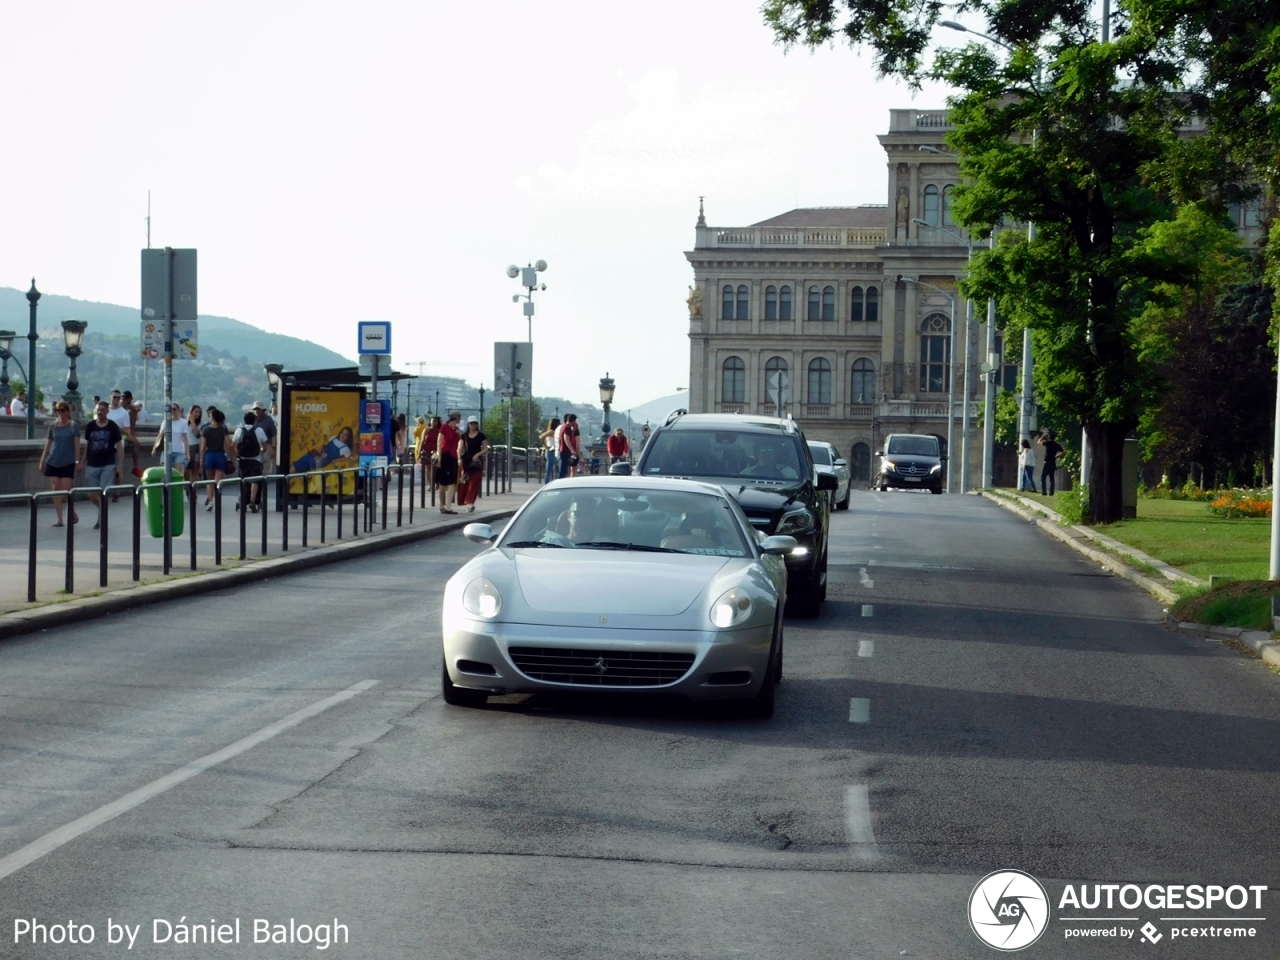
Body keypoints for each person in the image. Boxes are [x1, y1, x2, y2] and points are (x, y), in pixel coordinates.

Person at [79, 400, 123, 528]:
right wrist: (82, 461)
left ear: (107, 411)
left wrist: (120, 465)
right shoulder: (91, 426)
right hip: (92, 463)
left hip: (108, 463)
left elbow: (119, 446)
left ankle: (101, 519)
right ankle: (102, 510)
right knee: (91, 493)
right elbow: (87, 445)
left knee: (104, 492)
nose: (100, 412)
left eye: (102, 410)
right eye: (98, 410)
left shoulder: (112, 426)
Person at [39, 401, 80, 526]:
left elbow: (77, 444)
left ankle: (72, 511)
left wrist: (77, 461)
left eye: (63, 410)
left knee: (66, 489)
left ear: (68, 411)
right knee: (56, 488)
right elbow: (49, 443)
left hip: (68, 461)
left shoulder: (73, 426)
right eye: (58, 411)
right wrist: (42, 460)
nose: (61, 413)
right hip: (53, 460)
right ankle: (60, 519)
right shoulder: (53, 426)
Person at [233, 411, 269, 512]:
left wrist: (238, 454)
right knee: (255, 480)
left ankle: (243, 501)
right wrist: (260, 452)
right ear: (254, 420)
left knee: (244, 480)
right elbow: (265, 446)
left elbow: (234, 445)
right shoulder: (259, 430)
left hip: (243, 460)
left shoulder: (239, 430)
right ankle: (252, 501)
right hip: (256, 460)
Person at [199, 408, 231, 509]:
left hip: (209, 455)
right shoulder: (223, 429)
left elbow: (203, 447)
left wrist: (201, 459)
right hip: (220, 455)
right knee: (218, 480)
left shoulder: (206, 430)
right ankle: (217, 499)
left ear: (212, 417)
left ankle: (210, 501)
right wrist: (229, 456)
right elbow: (228, 444)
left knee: (210, 480)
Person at [456, 415, 489, 512]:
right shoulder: (464, 436)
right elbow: (459, 449)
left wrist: (478, 454)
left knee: (474, 483)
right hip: (466, 461)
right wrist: (459, 459)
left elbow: (486, 448)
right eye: (471, 423)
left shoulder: (481, 435)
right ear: (468, 424)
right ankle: (465, 501)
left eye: (475, 423)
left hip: (477, 462)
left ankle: (470, 502)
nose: (473, 425)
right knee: (464, 482)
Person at [435, 410, 463, 513]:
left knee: (452, 481)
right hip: (445, 455)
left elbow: (462, 443)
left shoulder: (457, 430)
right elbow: (439, 443)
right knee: (443, 482)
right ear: (455, 417)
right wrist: (439, 457)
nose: (460, 419)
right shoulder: (444, 427)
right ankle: (442, 506)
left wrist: (460, 435)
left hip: (453, 456)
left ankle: (448, 506)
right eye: (459, 417)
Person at [151, 403, 190, 474]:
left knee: (179, 473)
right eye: (170, 410)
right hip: (167, 450)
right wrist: (154, 448)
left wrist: (187, 454)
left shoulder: (183, 422)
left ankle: (179, 485)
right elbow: (160, 435)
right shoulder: (166, 422)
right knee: (167, 473)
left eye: (174, 409)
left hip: (179, 451)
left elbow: (185, 439)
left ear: (178, 410)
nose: (172, 411)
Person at [252, 402, 277, 480]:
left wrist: (273, 448)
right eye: (255, 409)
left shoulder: (268, 420)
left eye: (258, 409)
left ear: (262, 410)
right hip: (255, 446)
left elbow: (273, 434)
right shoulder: (252, 419)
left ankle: (263, 484)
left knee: (265, 467)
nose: (257, 411)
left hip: (267, 445)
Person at [1038, 430, 1065, 496]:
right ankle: (1051, 492)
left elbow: (1039, 442)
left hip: (1047, 462)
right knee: (1051, 478)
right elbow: (1064, 452)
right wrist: (1057, 456)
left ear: (1049, 436)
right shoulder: (1057, 445)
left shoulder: (1048, 443)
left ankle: (1044, 492)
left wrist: (1043, 437)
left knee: (1043, 477)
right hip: (1053, 462)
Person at [558, 413, 582, 479]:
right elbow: (566, 439)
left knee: (564, 469)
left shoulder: (564, 426)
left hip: (562, 450)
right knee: (564, 470)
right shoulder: (567, 427)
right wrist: (572, 450)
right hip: (565, 450)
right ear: (574, 420)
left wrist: (573, 430)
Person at [185, 405, 204, 483]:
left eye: (199, 412)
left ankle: (194, 490)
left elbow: (197, 434)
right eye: (196, 412)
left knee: (195, 469)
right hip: (187, 447)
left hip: (196, 447)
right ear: (191, 412)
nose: (197, 414)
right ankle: (188, 486)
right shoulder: (185, 423)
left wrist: (193, 422)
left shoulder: (201, 424)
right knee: (185, 470)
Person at [539, 417, 561, 484]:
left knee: (553, 468)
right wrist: (545, 445)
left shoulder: (554, 432)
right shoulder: (552, 431)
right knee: (549, 469)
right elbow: (541, 436)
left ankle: (551, 482)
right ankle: (547, 483)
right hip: (551, 451)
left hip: (553, 451)